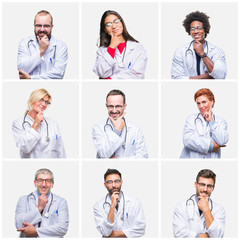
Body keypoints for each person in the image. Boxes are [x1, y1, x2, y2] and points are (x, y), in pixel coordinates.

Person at [92, 89, 148, 158]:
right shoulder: (98, 128)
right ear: (106, 106)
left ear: (124, 106)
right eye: (111, 106)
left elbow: (143, 157)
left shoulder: (135, 129)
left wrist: (117, 160)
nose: (114, 110)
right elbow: (103, 154)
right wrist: (117, 131)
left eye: (118, 106)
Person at [171, 11, 227, 79]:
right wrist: (205, 76)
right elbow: (176, 78)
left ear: (205, 30)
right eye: (192, 29)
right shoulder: (180, 51)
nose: (196, 31)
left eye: (199, 28)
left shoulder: (217, 52)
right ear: (189, 31)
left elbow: (220, 76)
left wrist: (202, 54)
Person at [93, 10, 147, 79]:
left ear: (122, 23)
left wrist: (110, 79)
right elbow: (102, 73)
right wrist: (112, 47)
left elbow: (137, 75)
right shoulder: (101, 51)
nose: (114, 26)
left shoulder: (137, 47)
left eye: (116, 21)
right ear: (105, 29)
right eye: (108, 24)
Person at [12, 89, 66, 158]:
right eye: (41, 100)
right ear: (32, 100)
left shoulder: (53, 123)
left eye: (46, 102)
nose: (44, 104)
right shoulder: (18, 123)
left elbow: (60, 151)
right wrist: (35, 124)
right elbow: (25, 148)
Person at [15, 168, 69, 237]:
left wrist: (36, 231)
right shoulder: (24, 200)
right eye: (40, 180)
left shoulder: (61, 202)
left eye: (48, 181)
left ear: (52, 184)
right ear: (35, 183)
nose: (44, 184)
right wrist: (39, 208)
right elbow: (19, 225)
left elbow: (62, 228)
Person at [173, 169, 225, 238]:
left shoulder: (219, 210)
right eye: (202, 185)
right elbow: (178, 233)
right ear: (195, 184)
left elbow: (217, 236)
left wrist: (206, 210)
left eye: (209, 186)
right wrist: (202, 237)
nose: (205, 189)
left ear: (213, 188)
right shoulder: (181, 206)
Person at [94, 169, 146, 237]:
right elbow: (105, 232)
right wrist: (112, 206)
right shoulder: (98, 206)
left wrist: (116, 234)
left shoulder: (134, 202)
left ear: (121, 182)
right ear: (105, 185)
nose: (114, 185)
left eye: (116, 181)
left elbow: (141, 229)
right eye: (110, 182)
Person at [17, 10, 68, 79]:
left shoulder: (61, 46)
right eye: (38, 26)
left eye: (46, 26)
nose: (42, 29)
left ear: (51, 27)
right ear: (34, 26)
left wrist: (30, 78)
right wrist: (41, 50)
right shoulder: (24, 43)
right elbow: (22, 70)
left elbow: (58, 74)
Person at [180, 88, 228, 158]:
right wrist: (211, 146)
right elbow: (187, 140)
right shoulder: (191, 119)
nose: (201, 106)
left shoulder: (221, 121)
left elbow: (222, 140)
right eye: (198, 103)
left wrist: (211, 121)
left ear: (212, 102)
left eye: (204, 102)